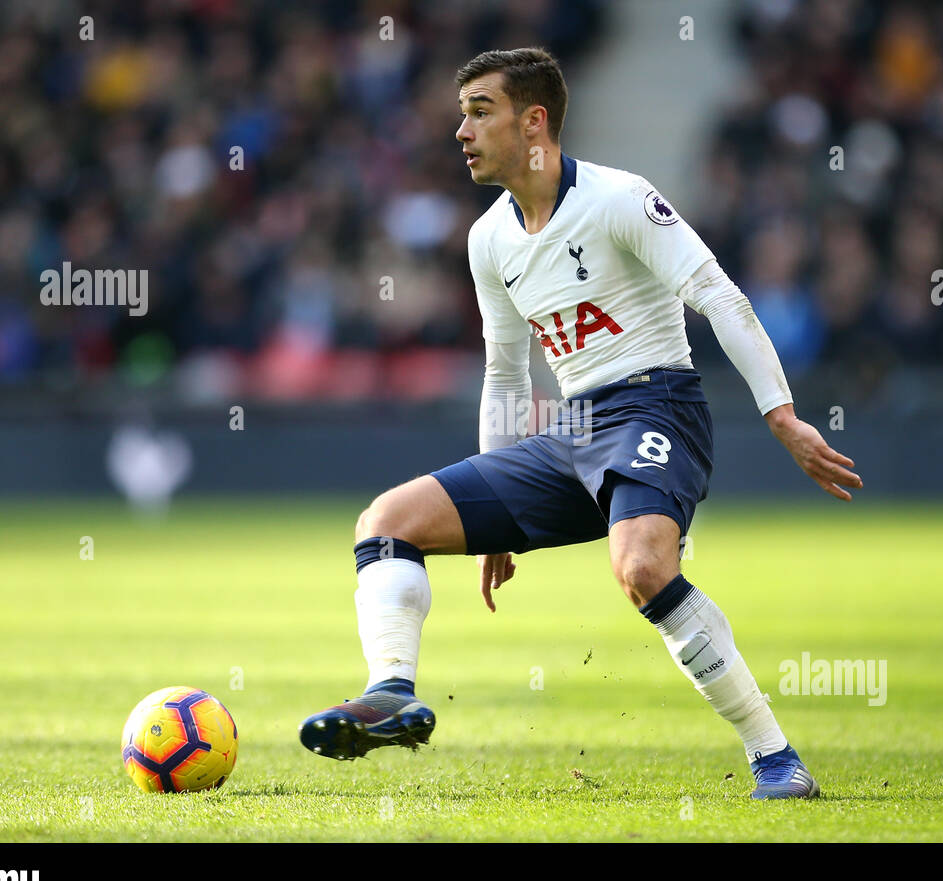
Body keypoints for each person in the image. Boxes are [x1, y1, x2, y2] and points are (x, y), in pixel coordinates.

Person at [299, 48, 862, 799]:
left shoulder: (619, 199)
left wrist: (782, 414)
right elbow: (505, 370)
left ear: (534, 121)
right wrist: (494, 522)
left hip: (657, 404)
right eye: (460, 114)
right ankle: (392, 693)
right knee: (386, 520)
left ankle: (775, 758)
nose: (460, 131)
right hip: (572, 429)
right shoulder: (488, 239)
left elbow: (720, 297)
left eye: (479, 111)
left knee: (642, 569)